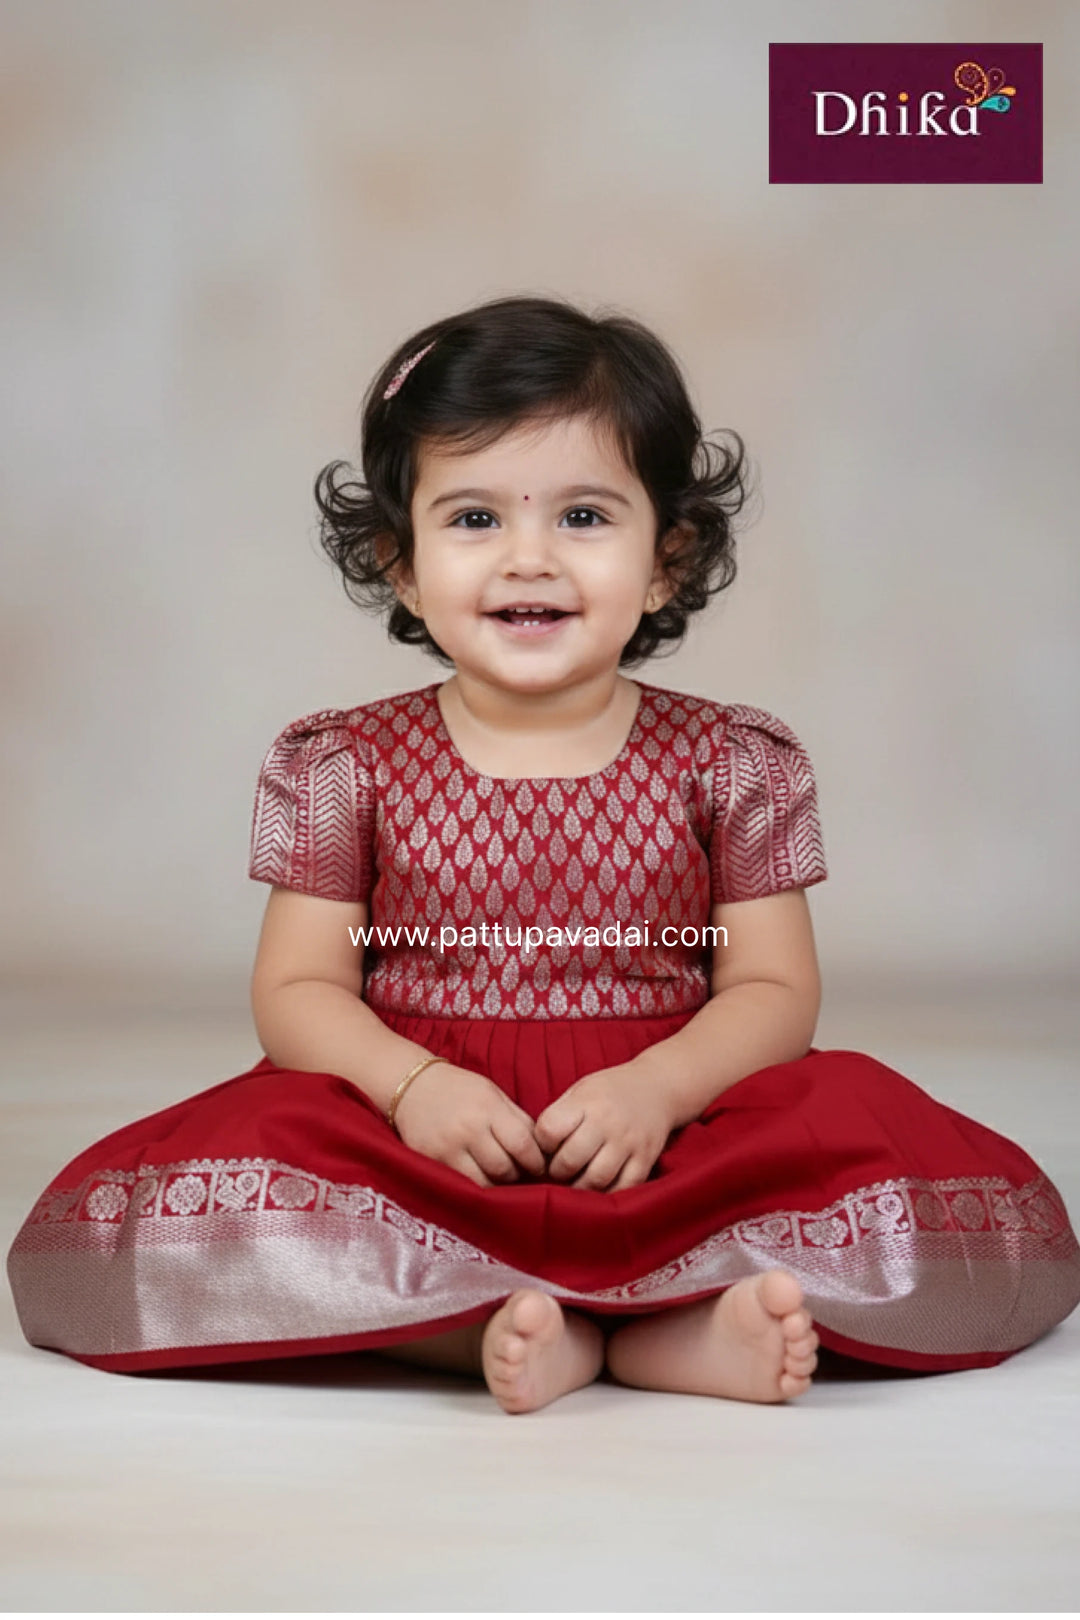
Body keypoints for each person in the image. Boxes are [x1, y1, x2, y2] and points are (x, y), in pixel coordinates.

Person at [8, 295, 1080, 1416]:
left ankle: (674, 1331)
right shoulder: (342, 762)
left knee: (860, 1120)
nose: (529, 557)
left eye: (583, 516)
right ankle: (499, 1331)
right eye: (473, 520)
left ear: (668, 558)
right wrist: (411, 1085)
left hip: (665, 1130)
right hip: (433, 1135)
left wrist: (662, 1087)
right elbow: (296, 989)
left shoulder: (731, 758)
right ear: (403, 565)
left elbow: (774, 987)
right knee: (244, 1153)